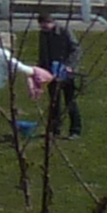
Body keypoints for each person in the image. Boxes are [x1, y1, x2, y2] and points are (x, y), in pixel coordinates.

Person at [36, 13, 84, 141]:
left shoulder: (65, 31)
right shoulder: (43, 34)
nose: (44, 29)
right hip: (51, 73)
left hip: (66, 72)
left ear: (52, 22)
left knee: (70, 102)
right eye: (42, 27)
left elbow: (76, 50)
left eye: (46, 26)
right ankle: (54, 129)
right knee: (54, 102)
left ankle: (75, 130)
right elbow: (43, 53)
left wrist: (69, 66)